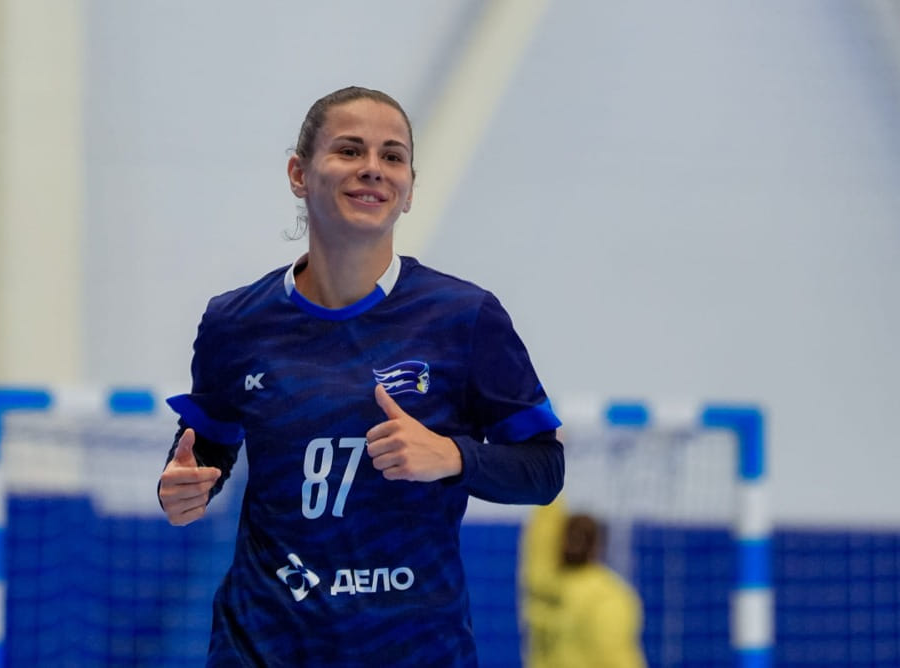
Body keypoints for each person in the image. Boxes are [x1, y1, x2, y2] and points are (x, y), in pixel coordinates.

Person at [157, 85, 564, 667]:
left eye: (392, 156)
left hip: (413, 651)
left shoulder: (464, 317)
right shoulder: (236, 322)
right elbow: (209, 444)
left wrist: (452, 456)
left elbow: (544, 470)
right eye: (349, 150)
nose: (372, 168)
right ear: (299, 174)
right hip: (263, 647)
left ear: (409, 189)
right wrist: (187, 482)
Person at [519, 495, 646, 668]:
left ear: (558, 541)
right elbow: (613, 656)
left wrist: (550, 491)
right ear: (597, 546)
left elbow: (541, 536)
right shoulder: (608, 596)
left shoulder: (541, 581)